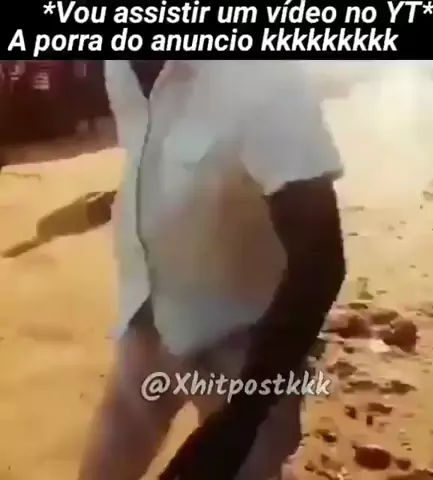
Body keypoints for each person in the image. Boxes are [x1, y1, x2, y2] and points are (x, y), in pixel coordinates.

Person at [78, 60, 346, 480]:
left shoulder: (262, 76)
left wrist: (237, 424)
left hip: (249, 349)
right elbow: (148, 154)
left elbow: (320, 260)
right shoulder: (119, 68)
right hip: (146, 325)